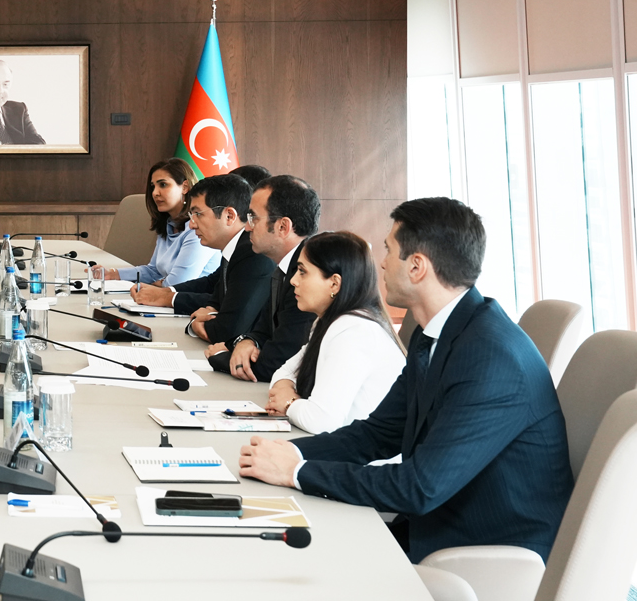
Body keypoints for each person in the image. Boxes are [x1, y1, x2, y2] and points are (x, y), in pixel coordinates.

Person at [239, 198, 573, 564]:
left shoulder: (491, 357)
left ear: (416, 266)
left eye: (388, 250)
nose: (382, 263)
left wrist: (297, 472)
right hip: (431, 525)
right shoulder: (437, 334)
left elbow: (420, 487)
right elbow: (378, 434)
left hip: (481, 552)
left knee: (293, 561)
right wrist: (293, 453)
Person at [266, 231, 406, 434]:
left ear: (334, 283)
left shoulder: (354, 331)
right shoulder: (330, 322)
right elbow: (283, 373)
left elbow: (321, 421)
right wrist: (287, 394)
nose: (293, 280)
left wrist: (288, 403)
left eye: (302, 272)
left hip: (371, 452)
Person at [129, 173, 274, 345]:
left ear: (229, 216)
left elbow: (226, 332)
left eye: (198, 214)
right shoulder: (236, 248)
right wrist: (166, 293)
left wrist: (196, 321)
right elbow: (213, 286)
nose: (191, 225)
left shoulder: (252, 254)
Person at [213, 175, 319, 379]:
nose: (247, 227)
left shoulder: (310, 276)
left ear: (282, 227)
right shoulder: (284, 266)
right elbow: (262, 331)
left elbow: (281, 360)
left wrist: (220, 357)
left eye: (254, 218)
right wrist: (247, 342)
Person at [104, 158, 218, 286]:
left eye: (163, 185)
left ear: (185, 187)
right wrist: (113, 274)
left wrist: (153, 286)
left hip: (192, 297)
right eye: (153, 186)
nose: (155, 193)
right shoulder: (169, 224)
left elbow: (179, 283)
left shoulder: (197, 229)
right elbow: (154, 271)